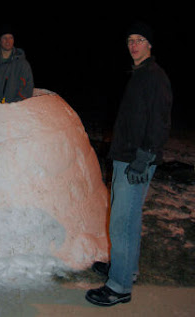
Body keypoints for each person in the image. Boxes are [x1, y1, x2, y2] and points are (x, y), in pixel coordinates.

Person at [85, 22, 173, 306]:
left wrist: (144, 158)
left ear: (150, 44)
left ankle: (119, 286)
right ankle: (126, 270)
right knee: (129, 221)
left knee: (121, 223)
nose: (134, 45)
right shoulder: (139, 75)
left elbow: (159, 121)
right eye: (130, 40)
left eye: (140, 39)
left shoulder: (155, 77)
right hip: (126, 157)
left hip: (136, 161)